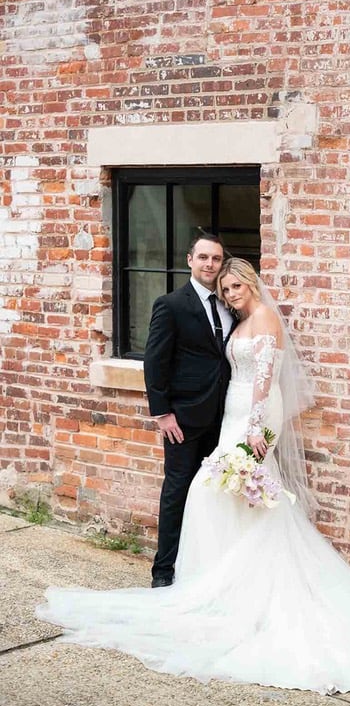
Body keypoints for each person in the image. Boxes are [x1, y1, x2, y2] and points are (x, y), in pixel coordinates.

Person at [37, 259, 350, 694]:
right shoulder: (238, 320)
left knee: (223, 491)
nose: (231, 294)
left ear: (251, 282)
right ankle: (224, 585)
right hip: (233, 413)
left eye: (236, 286)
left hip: (255, 417)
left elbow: (265, 378)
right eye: (225, 289)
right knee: (227, 495)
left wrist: (257, 427)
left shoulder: (266, 320)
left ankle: (240, 588)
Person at [143, 232, 235, 587]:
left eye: (216, 258)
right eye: (203, 257)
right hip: (183, 418)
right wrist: (163, 413)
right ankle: (163, 571)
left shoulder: (229, 303)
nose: (210, 264)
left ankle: (200, 566)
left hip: (224, 417)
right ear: (190, 260)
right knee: (177, 491)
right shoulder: (171, 304)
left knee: (211, 494)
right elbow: (155, 361)